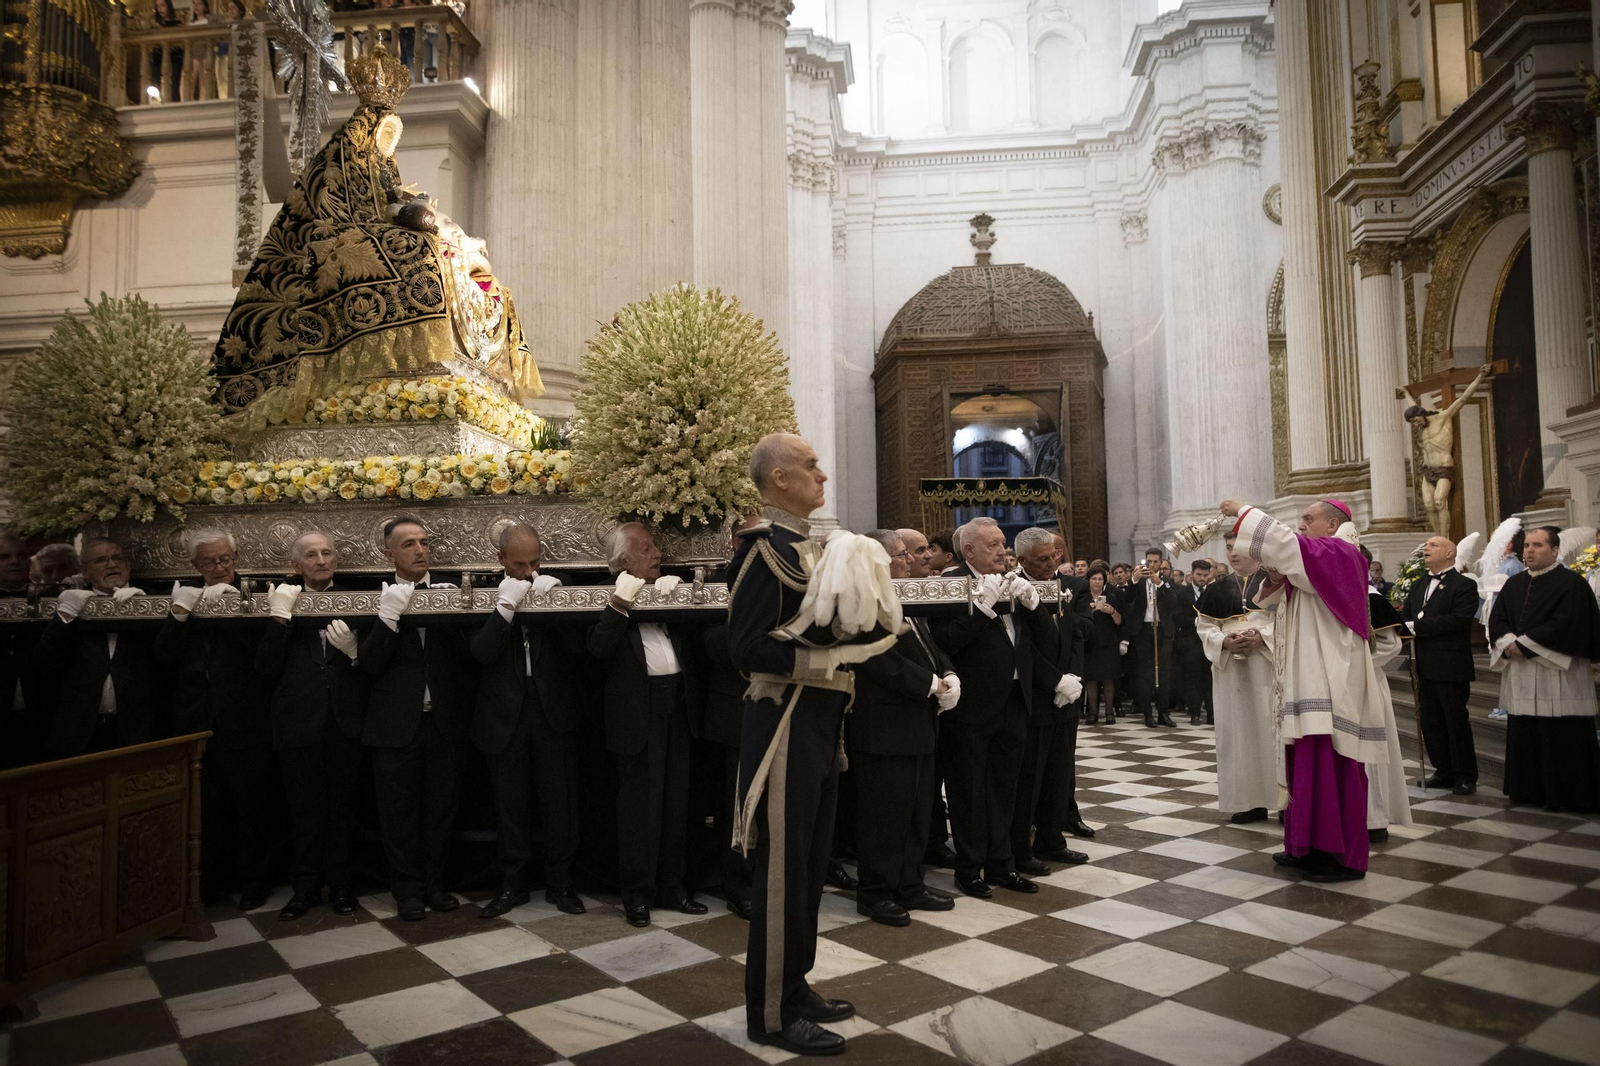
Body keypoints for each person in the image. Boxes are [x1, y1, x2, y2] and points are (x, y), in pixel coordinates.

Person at [729, 433, 894, 1056]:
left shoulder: (809, 548)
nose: (821, 476)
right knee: (781, 874)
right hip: (784, 725)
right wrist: (826, 659)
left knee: (808, 867)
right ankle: (769, 1015)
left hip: (822, 726)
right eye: (809, 467)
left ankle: (793, 985)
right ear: (778, 480)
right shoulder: (761, 552)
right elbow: (745, 648)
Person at [1223, 498, 1391, 883]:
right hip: (1309, 675)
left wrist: (1243, 509)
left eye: (1308, 518)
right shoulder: (1322, 558)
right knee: (1305, 763)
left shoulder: (1341, 553)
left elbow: (1285, 544)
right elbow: (1272, 590)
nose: (1301, 524)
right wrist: (1278, 577)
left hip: (1330, 677)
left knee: (1332, 765)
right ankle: (1305, 845)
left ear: (1333, 525)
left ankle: (1337, 856)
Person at [933, 517, 1080, 899]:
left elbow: (1042, 644)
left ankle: (1002, 864)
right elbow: (945, 642)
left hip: (1015, 702)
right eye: (992, 546)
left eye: (1003, 544)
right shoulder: (950, 582)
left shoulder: (1017, 581)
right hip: (971, 707)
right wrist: (980, 610)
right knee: (967, 791)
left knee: (1005, 790)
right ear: (968, 551)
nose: (1003, 551)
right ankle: (968, 869)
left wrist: (1032, 604)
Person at [588, 522, 706, 927]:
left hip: (677, 712)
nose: (657, 553)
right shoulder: (604, 593)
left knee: (676, 806)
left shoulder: (667, 588)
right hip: (636, 718)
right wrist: (620, 605)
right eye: (647, 548)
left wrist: (674, 601)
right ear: (624, 560)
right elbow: (597, 648)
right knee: (639, 813)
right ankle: (636, 895)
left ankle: (673, 888)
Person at [358, 516, 475, 921]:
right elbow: (369, 665)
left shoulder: (449, 591)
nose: (421, 550)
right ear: (388, 553)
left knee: (440, 810)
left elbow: (470, 659)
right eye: (409, 544)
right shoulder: (372, 596)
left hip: (444, 722)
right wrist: (387, 619)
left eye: (424, 543)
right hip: (394, 725)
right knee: (398, 814)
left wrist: (456, 610)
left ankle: (433, 884)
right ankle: (406, 890)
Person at [154, 530, 274, 910]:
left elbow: (265, 660)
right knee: (206, 808)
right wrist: (179, 614)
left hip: (246, 722)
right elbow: (163, 658)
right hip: (196, 722)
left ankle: (255, 883)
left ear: (235, 558)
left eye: (225, 559)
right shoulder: (185, 595)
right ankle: (210, 884)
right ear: (195, 566)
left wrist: (233, 611)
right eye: (210, 562)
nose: (220, 567)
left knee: (252, 808)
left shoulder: (254, 594)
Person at [471, 524, 586, 918]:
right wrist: (504, 609)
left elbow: (578, 650)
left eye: (535, 561)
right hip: (504, 715)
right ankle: (512, 885)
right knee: (510, 806)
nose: (528, 570)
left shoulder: (558, 584)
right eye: (519, 564)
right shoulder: (484, 590)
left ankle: (562, 883)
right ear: (501, 560)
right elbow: (481, 654)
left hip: (552, 711)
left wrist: (552, 606)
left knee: (559, 804)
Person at [850, 530, 958, 926]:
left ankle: (910, 883)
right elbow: (877, 660)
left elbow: (929, 646)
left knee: (916, 811)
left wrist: (947, 671)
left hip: (917, 723)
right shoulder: (864, 601)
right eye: (899, 555)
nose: (910, 560)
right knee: (884, 816)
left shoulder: (907, 595)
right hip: (884, 726)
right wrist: (930, 684)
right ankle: (875, 891)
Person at [256, 532, 366, 921]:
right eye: (311, 555)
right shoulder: (279, 600)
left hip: (344, 720)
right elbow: (266, 668)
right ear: (296, 565)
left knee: (343, 809)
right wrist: (280, 619)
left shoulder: (356, 598)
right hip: (298, 723)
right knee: (303, 811)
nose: (321, 560)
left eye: (327, 553)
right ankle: (304, 889)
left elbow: (373, 667)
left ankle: (341, 886)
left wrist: (356, 653)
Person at [1488, 526, 1600, 814]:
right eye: (1527, 545)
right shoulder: (1514, 585)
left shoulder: (1571, 583)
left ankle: (1568, 793)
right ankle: (1529, 790)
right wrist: (1508, 641)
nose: (1529, 550)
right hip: (1523, 670)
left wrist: (1523, 644)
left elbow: (1569, 622)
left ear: (1554, 550)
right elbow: (1497, 618)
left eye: (1537, 545)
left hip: (1559, 670)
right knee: (1527, 731)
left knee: (1561, 732)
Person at [34, 539, 158, 757]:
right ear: (84, 572)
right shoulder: (63, 602)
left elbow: (165, 659)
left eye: (118, 557)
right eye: (101, 560)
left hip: (137, 730)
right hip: (79, 732)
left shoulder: (153, 599)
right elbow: (44, 664)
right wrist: (65, 616)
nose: (112, 565)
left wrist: (145, 611)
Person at [1018, 529, 1095, 858]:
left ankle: (1052, 841)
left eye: (1055, 556)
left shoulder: (1064, 587)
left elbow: (1075, 634)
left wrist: (1073, 678)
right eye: (1043, 559)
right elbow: (1023, 647)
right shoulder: (1014, 589)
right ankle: (1021, 847)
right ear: (1022, 560)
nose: (1053, 564)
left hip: (1067, 698)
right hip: (1034, 697)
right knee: (1030, 779)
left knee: (1058, 774)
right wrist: (1054, 682)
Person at [1198, 534, 1276, 823]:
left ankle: (1284, 801)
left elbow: (1288, 619)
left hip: (1267, 666)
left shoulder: (1275, 582)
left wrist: (1263, 637)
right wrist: (1223, 641)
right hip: (1231, 668)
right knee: (1237, 732)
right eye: (1228, 548)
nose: (1231, 553)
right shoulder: (1217, 588)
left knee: (1272, 731)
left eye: (1237, 548)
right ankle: (1248, 801)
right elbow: (1204, 626)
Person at [1401, 536, 1480, 795]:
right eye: (1425, 545)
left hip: (1450, 664)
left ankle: (1465, 773)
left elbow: (1458, 621)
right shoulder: (1418, 585)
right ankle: (1443, 769)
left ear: (1450, 553)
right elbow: (1406, 617)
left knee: (1454, 720)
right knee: (1431, 721)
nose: (1426, 548)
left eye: (1433, 545)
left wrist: (1417, 627)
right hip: (1421, 663)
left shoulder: (1464, 585)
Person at [1127, 549, 1178, 729]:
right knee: (1145, 673)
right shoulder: (1138, 582)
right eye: (1149, 561)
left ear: (1160, 563)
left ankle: (1164, 713)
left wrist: (1161, 585)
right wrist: (1133, 580)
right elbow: (1128, 598)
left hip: (1162, 630)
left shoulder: (1167, 582)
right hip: (1143, 630)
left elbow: (1174, 603)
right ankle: (1148, 714)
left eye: (1155, 562)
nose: (1152, 565)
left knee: (1164, 672)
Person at [1082, 565, 1130, 725]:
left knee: (1109, 678)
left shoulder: (1111, 596)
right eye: (1094, 578)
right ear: (1088, 580)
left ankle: (1110, 712)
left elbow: (1120, 621)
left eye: (1100, 579)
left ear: (1104, 581)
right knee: (1091, 679)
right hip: (1089, 643)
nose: (1096, 582)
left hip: (1108, 642)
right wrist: (1089, 611)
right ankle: (1093, 712)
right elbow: (1075, 619)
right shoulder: (1083, 598)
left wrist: (1112, 611)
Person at [1173, 559, 1214, 725]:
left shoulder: (1213, 591)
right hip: (1190, 641)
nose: (1202, 578)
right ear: (1192, 574)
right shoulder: (1182, 594)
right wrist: (1197, 621)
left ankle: (1212, 714)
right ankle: (1195, 713)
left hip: (1210, 640)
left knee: (1211, 679)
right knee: (1193, 679)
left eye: (1205, 575)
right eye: (1199, 574)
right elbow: (1177, 617)